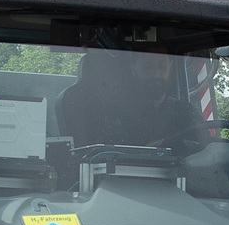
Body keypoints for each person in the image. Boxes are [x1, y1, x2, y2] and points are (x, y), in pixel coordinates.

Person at [60, 48, 204, 149]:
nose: (156, 73)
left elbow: (204, 152)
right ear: (134, 69)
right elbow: (101, 156)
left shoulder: (185, 113)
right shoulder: (112, 113)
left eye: (162, 66)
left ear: (170, 67)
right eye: (148, 67)